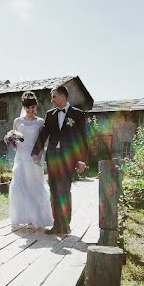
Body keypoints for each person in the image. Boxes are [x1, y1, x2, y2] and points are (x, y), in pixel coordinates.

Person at [32, 85, 91, 235]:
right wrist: (35, 152)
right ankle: (57, 224)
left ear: (63, 96)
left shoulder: (77, 114)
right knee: (54, 191)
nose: (52, 100)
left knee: (64, 190)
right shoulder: (50, 114)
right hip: (53, 158)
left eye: (54, 96)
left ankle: (65, 224)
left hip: (68, 159)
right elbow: (44, 134)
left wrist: (82, 160)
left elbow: (83, 138)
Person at [7, 91, 54, 228]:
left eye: (33, 107)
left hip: (34, 158)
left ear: (36, 107)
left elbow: (42, 142)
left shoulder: (40, 122)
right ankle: (24, 217)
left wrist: (39, 156)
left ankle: (36, 217)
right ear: (23, 107)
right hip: (21, 158)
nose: (30, 110)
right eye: (27, 107)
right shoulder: (17, 121)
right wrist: (10, 140)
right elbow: (15, 140)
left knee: (35, 186)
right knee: (20, 187)